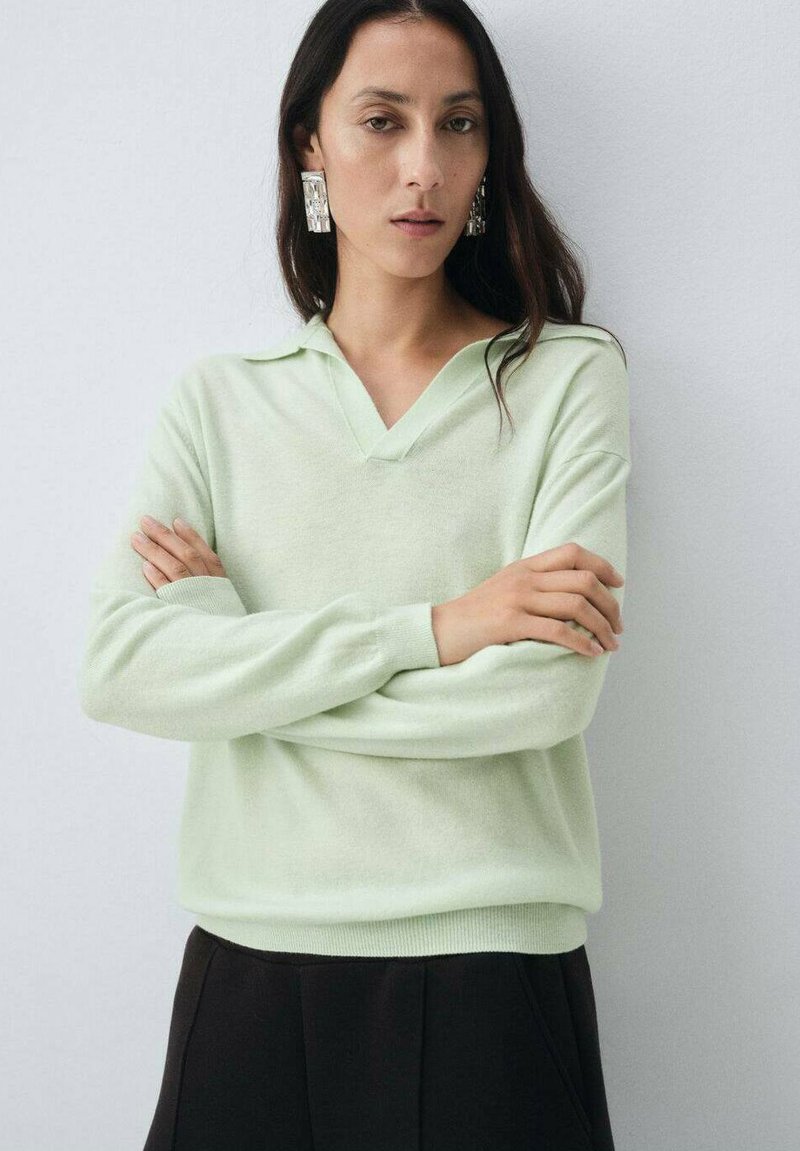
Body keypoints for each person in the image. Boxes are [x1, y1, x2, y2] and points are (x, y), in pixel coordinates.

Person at [78, 1, 630, 1147]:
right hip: (247, 977)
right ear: (310, 145)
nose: (423, 166)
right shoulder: (220, 401)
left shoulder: (563, 379)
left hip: (490, 976)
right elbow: (121, 667)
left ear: (488, 151)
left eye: (458, 123)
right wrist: (438, 628)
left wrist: (239, 666)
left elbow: (540, 694)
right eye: (382, 120)